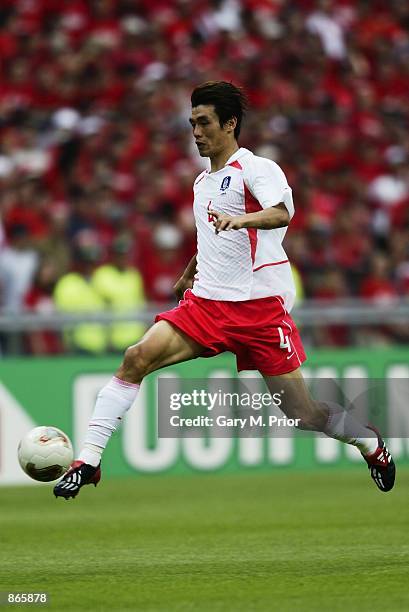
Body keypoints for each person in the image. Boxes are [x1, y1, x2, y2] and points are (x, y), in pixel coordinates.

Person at [54, 81, 395, 499]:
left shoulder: (255, 168)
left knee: (303, 414)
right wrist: (187, 273)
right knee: (135, 357)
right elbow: (211, 240)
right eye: (192, 123)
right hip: (208, 306)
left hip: (259, 311)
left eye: (204, 122)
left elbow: (282, 212)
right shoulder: (202, 183)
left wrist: (243, 221)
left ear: (230, 124)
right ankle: (88, 460)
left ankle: (369, 442)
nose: (196, 132)